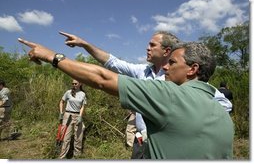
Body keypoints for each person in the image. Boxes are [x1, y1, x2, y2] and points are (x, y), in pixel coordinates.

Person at [18, 38, 234, 159]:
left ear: (192, 69)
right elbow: (112, 63)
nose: (166, 67)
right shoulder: (224, 114)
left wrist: (52, 56)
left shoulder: (168, 94)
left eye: (173, 62)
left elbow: (102, 78)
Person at [58, 79, 87, 159]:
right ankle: (62, 157)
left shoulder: (83, 94)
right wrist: (61, 113)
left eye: (76, 83)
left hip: (78, 116)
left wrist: (80, 116)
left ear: (80, 84)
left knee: (78, 137)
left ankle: (77, 156)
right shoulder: (68, 92)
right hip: (68, 115)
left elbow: (83, 106)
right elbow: (62, 101)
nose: (74, 85)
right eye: (73, 83)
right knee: (66, 138)